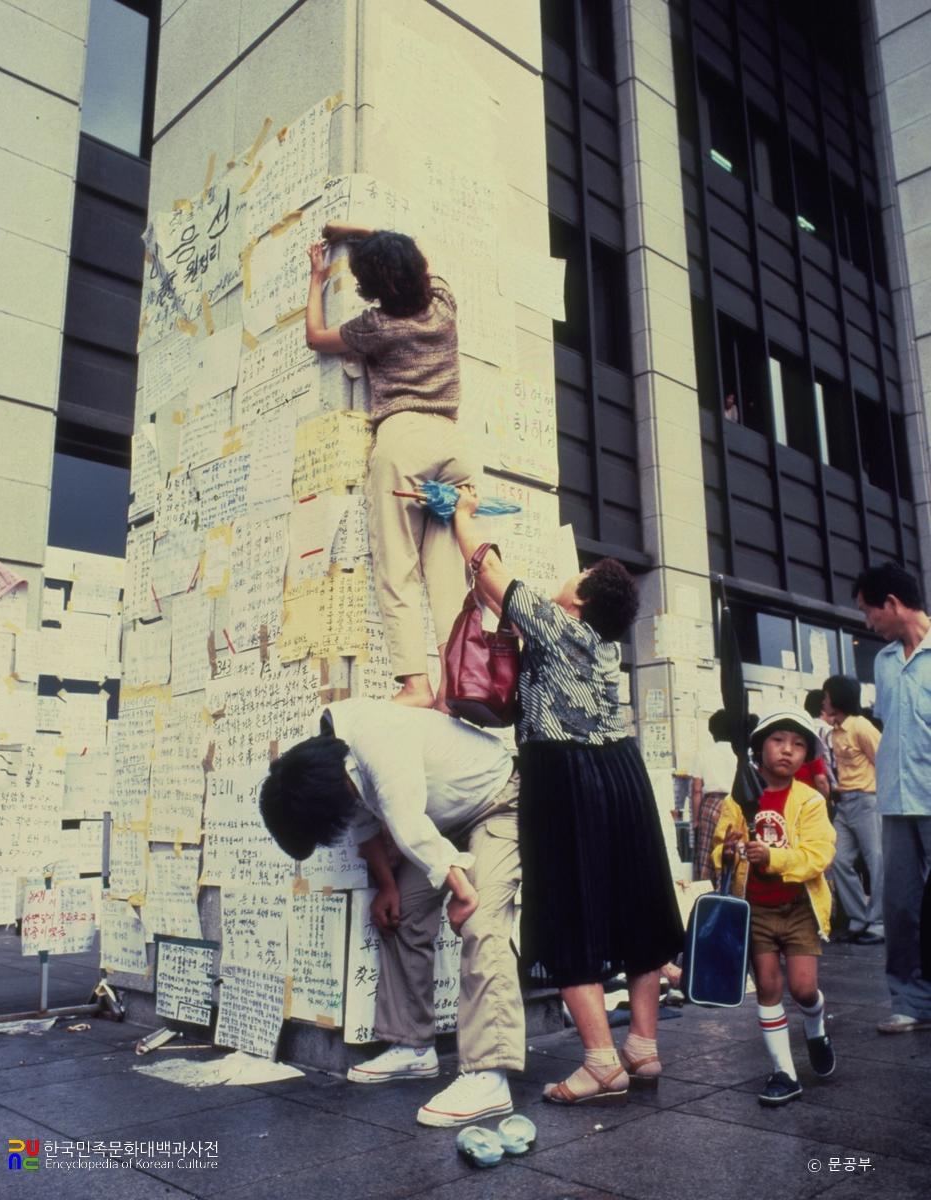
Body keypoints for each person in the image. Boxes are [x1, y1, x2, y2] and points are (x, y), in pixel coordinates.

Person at [452, 489, 684, 1105]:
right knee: (636, 906)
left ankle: (601, 1062)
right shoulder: (607, 647)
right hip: (623, 773)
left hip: (566, 775)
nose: (569, 574)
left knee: (568, 908)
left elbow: (490, 574)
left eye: (577, 574)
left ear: (579, 600)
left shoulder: (559, 626)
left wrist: (462, 515)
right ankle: (642, 1045)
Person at [259, 699, 523, 1127]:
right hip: (443, 822)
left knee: (482, 922)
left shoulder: (376, 739)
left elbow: (405, 824)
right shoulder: (327, 761)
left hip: (500, 799)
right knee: (401, 912)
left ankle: (488, 1075)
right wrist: (387, 886)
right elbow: (364, 823)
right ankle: (413, 1046)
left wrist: (463, 893)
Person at [305, 222, 472, 711]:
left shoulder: (375, 326)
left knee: (397, 564)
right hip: (454, 444)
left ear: (374, 288)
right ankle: (450, 686)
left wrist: (318, 274)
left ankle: (415, 685)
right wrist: (356, 230)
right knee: (447, 574)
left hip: (404, 441)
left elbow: (316, 336)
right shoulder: (443, 304)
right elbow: (415, 241)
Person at [714, 711, 837, 1107]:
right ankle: (784, 1072)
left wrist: (773, 856)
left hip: (798, 906)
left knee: (803, 989)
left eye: (798, 744)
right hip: (756, 912)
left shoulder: (811, 801)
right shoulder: (739, 796)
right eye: (778, 740)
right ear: (759, 747)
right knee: (768, 987)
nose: (788, 750)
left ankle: (815, 1027)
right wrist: (729, 850)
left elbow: (819, 855)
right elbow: (718, 849)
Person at [853, 562, 931, 1033]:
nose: (868, 623)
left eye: (868, 612)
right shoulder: (883, 662)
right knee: (900, 905)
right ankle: (910, 1000)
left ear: (893, 604)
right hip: (897, 802)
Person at [822, 674, 884, 945]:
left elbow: (884, 761)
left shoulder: (861, 727)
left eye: (826, 696)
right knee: (838, 859)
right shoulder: (835, 731)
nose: (823, 701)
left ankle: (879, 925)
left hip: (868, 802)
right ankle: (859, 920)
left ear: (838, 698)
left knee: (877, 863)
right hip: (845, 804)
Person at [689, 710, 739, 883]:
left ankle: (706, 892)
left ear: (712, 732)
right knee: (733, 850)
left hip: (710, 805)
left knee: (707, 853)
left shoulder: (703, 754)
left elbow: (696, 790)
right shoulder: (741, 754)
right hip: (735, 803)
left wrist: (696, 820)